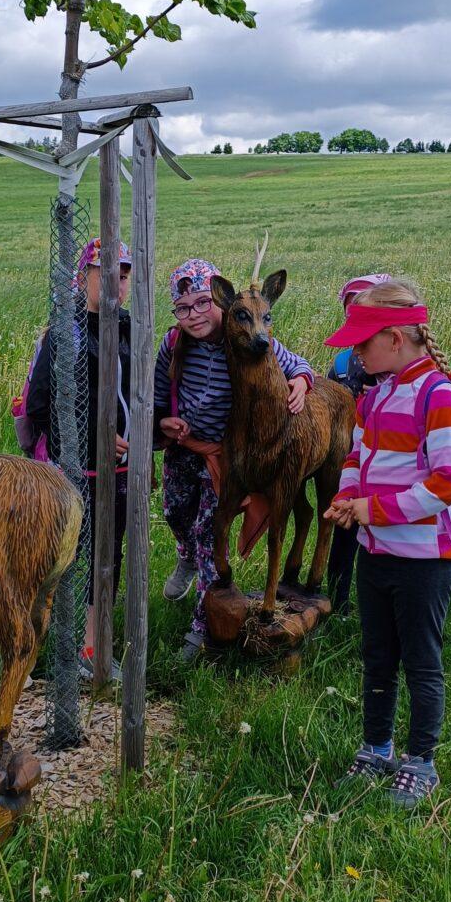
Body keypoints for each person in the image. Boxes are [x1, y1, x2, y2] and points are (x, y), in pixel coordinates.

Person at [323, 278, 451, 811]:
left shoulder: (440, 397)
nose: (355, 352)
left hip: (426, 559)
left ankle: (420, 760)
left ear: (395, 337)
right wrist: (347, 499)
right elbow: (355, 460)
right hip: (377, 552)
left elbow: (449, 482)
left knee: (421, 660)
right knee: (377, 655)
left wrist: (374, 510)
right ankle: (375, 748)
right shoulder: (375, 395)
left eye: (362, 342)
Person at [154, 257, 315, 663]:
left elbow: (293, 362)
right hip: (183, 448)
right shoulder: (173, 344)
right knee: (175, 513)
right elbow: (158, 393)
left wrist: (301, 380)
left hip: (224, 455)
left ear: (220, 301)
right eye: (183, 307)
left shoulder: (242, 334)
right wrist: (163, 421)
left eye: (203, 303)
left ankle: (200, 631)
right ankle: (186, 556)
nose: (194, 315)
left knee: (212, 534)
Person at [26, 237, 132, 680]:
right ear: (83, 276)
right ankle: (36, 654)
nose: (118, 282)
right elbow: (42, 403)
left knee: (107, 557)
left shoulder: (128, 327)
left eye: (125, 274)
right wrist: (97, 439)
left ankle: (93, 648)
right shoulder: (64, 332)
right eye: (106, 272)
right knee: (54, 561)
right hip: (72, 469)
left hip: (119, 468)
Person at [325, 273, 391, 615]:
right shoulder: (341, 362)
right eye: (350, 312)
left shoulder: (397, 361)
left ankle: (378, 600)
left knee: (381, 531)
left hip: (388, 465)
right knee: (346, 531)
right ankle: (338, 598)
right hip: (351, 458)